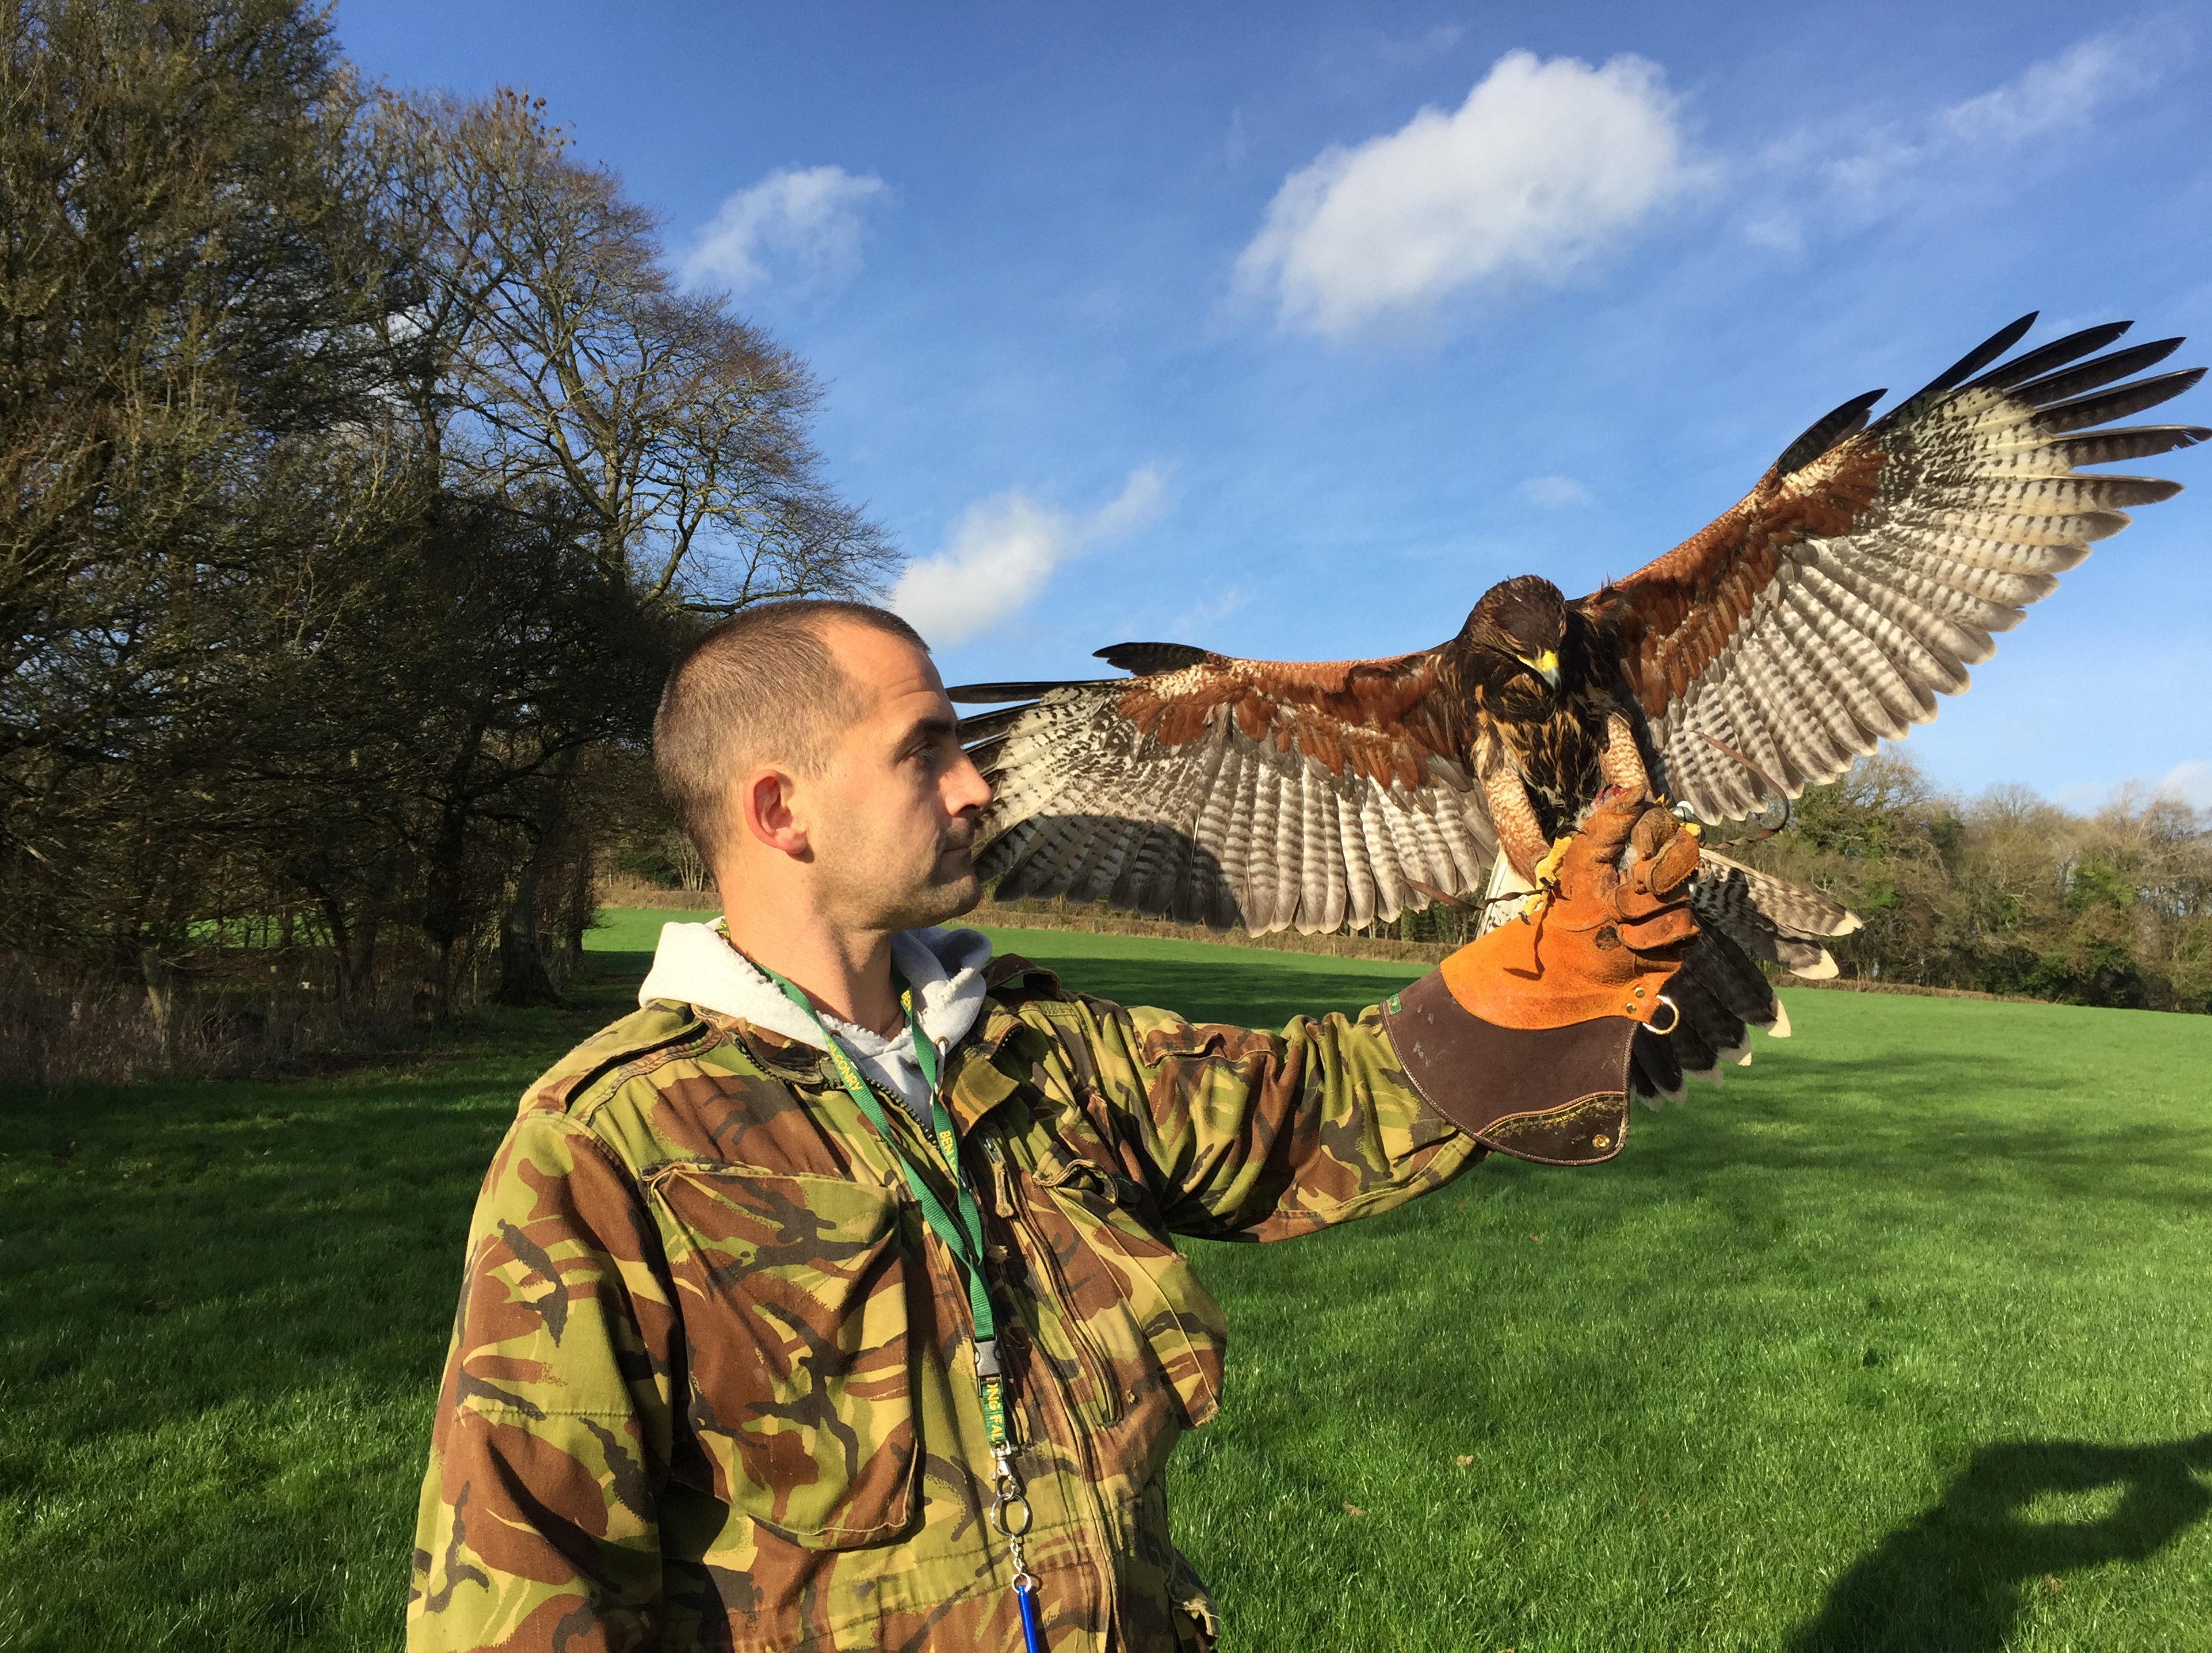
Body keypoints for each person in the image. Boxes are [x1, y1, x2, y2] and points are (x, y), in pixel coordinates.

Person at [406, 598, 1700, 1653]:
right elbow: (523, 1587)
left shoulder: (1040, 1055)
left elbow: (1314, 1113)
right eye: (926, 749)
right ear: (778, 809)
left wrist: (1544, 977)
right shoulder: (613, 1146)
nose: (979, 786)